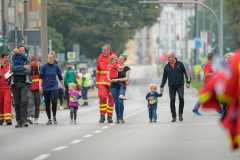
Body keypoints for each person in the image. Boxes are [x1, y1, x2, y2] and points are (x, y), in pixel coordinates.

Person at [160, 51, 191, 122]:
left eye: (168, 57)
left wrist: (188, 82)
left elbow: (186, 72)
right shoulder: (166, 66)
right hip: (171, 86)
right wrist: (162, 86)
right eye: (167, 57)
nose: (167, 58)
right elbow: (164, 77)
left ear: (173, 57)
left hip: (180, 85)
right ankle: (174, 116)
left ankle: (180, 114)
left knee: (181, 97)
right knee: (172, 100)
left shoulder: (180, 63)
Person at [39, 51, 66, 125]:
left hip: (54, 86)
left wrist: (63, 86)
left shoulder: (56, 67)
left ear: (54, 58)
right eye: (49, 58)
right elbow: (41, 77)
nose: (49, 59)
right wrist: (40, 86)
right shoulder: (44, 67)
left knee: (54, 100)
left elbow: (60, 77)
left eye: (51, 58)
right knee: (47, 103)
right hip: (46, 86)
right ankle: (49, 119)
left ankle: (54, 117)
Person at [10, 45, 32, 128]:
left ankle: (24, 120)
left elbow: (28, 71)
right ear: (17, 51)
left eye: (23, 50)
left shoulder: (27, 60)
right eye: (20, 50)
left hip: (24, 83)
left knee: (24, 101)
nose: (22, 52)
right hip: (15, 83)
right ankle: (18, 121)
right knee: (17, 103)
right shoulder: (13, 58)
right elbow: (12, 68)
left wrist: (17, 70)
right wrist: (23, 67)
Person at [96, 44, 116, 123]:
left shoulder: (114, 58)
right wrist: (97, 84)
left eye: (104, 50)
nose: (103, 52)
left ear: (108, 50)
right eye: (102, 50)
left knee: (111, 99)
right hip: (102, 81)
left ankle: (109, 116)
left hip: (112, 82)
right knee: (102, 97)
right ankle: (102, 115)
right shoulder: (100, 58)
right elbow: (97, 72)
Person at [109, 54, 131, 123]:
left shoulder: (126, 68)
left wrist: (118, 79)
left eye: (121, 59)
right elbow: (108, 74)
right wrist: (110, 79)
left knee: (120, 101)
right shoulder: (114, 66)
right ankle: (117, 117)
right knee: (116, 102)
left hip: (122, 86)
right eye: (119, 58)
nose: (119, 60)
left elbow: (126, 78)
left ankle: (121, 116)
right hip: (113, 86)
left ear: (124, 60)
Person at [27, 56, 41, 124]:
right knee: (31, 103)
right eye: (30, 61)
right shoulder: (28, 69)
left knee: (37, 104)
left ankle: (36, 117)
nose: (30, 62)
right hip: (30, 88)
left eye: (32, 61)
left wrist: (41, 87)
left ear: (35, 61)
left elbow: (42, 78)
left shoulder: (38, 68)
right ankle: (31, 117)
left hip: (37, 88)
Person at [0, 52, 13, 125]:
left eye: (8, 57)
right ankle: (1, 119)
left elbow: (12, 77)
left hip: (8, 88)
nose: (7, 59)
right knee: (0, 103)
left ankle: (8, 119)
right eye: (5, 58)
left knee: (7, 103)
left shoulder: (10, 67)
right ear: (2, 58)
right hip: (0, 88)